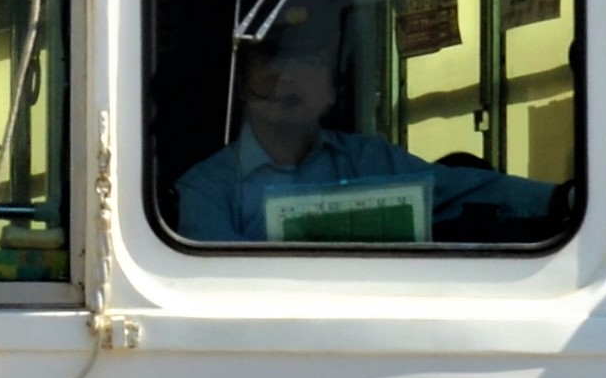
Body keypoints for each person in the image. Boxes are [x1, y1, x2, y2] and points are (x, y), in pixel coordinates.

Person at [174, 36, 559, 243]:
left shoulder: (371, 160)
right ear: (242, 84)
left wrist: (561, 200)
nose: (286, 78)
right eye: (269, 63)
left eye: (306, 62)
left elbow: (459, 190)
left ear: (331, 89)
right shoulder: (207, 189)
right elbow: (221, 292)